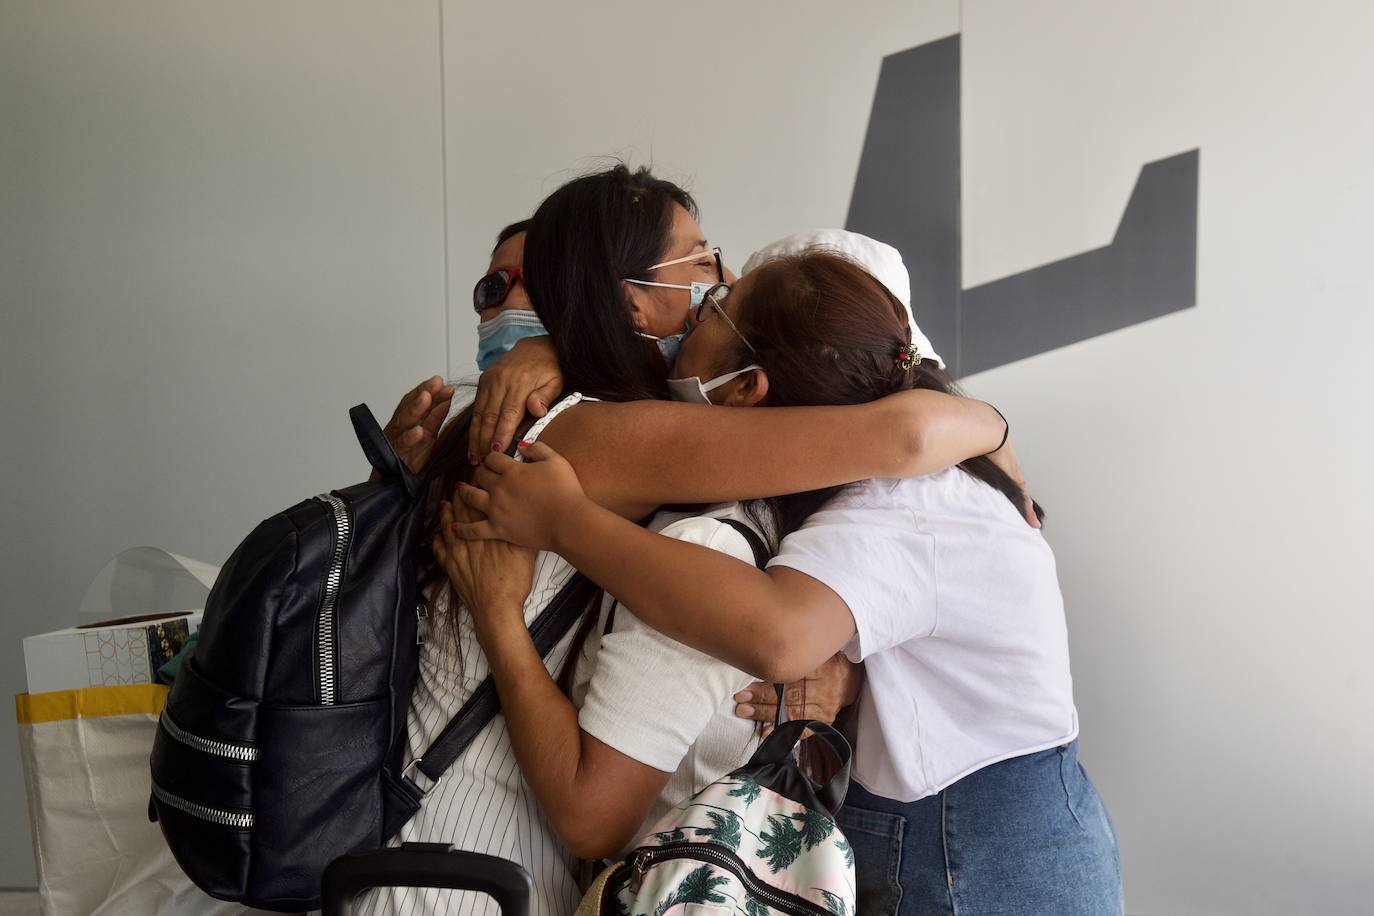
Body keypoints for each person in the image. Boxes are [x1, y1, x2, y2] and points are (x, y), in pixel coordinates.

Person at [365, 166, 1020, 916]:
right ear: (631, 299)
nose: (721, 280)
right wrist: (991, 426)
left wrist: (841, 673)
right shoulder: (590, 437)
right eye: (703, 261)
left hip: (500, 864)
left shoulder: (605, 433)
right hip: (456, 868)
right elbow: (899, 433)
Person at [451, 248, 1124, 915]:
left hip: (976, 864)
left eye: (716, 305)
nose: (696, 310)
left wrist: (564, 522)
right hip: (962, 836)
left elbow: (778, 634)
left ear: (749, 385)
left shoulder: (898, 502)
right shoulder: (890, 480)